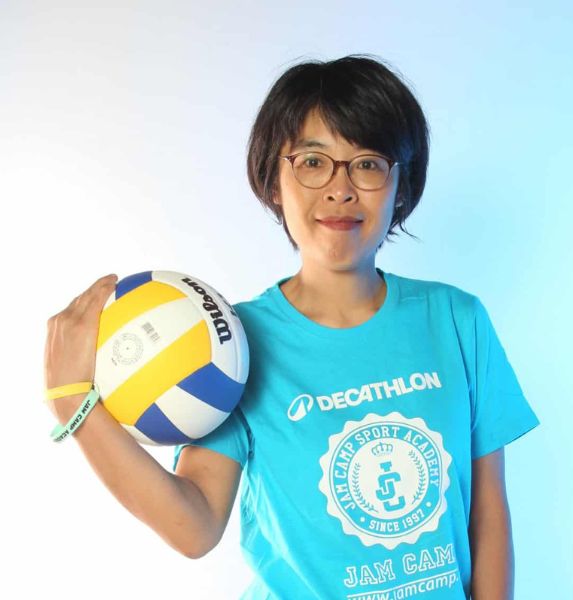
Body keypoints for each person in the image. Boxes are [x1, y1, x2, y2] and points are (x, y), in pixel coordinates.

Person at [45, 54, 540, 600]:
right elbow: (194, 526)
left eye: (368, 163)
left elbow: (488, 512)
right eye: (312, 161)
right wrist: (74, 403)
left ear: (401, 185)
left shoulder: (456, 320)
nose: (340, 189)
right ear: (274, 182)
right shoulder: (230, 344)